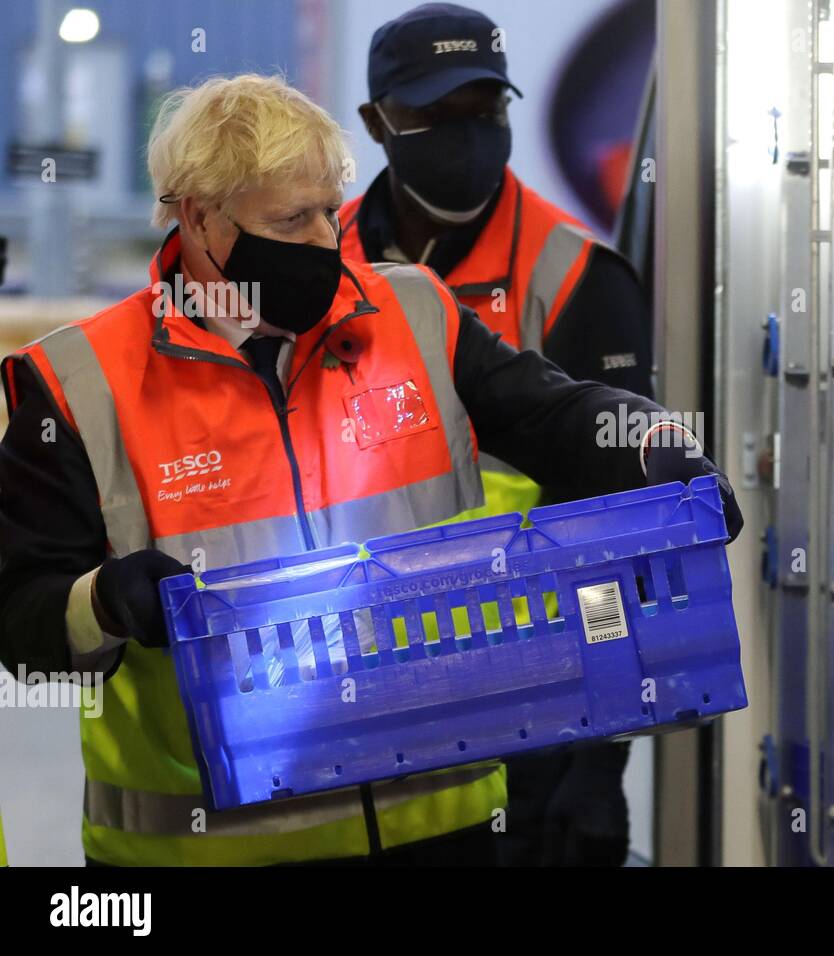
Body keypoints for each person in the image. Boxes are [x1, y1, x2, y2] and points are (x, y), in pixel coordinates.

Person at [0, 73, 741, 867]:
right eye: (292, 219)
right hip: (211, 854)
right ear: (200, 218)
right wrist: (104, 603)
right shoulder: (82, 383)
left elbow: (548, 412)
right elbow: (20, 622)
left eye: (330, 210)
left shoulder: (409, 313)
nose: (326, 239)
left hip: (440, 835)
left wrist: (648, 439)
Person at [343, 3, 656, 865]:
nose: (467, 136)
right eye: (437, 116)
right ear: (377, 123)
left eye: (485, 112)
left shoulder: (577, 277)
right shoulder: (325, 265)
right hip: (363, 710)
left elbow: (622, 530)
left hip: (538, 713)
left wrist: (602, 756)